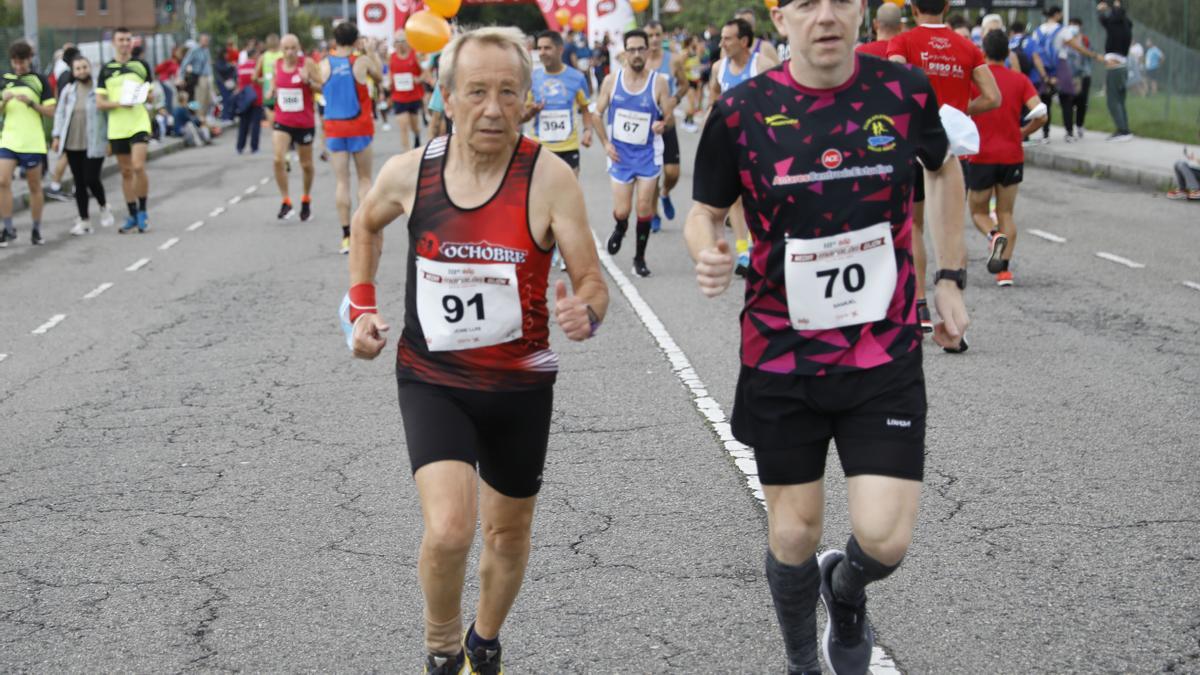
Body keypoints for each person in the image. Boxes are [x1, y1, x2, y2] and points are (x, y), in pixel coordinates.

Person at [686, 0, 970, 670]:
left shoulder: (903, 91)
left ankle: (845, 592)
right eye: (807, 3)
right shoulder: (741, 111)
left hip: (885, 348)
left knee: (886, 538)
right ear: (779, 17)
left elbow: (944, 167)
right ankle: (800, 659)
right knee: (793, 531)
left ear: (862, 10)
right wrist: (709, 250)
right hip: (782, 355)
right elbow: (705, 213)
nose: (826, 15)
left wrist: (951, 275)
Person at [345, 26, 609, 675]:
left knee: (507, 532)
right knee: (452, 528)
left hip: (521, 386)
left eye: (507, 93)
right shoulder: (409, 172)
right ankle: (440, 646)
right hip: (434, 377)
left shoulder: (549, 178)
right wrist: (359, 307)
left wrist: (587, 312)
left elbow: (591, 282)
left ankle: (483, 642)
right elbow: (365, 224)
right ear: (448, 99)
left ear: (526, 102)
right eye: (477, 92)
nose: (492, 107)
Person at [888, 0, 999, 338]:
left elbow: (896, 88)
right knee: (952, 232)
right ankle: (954, 316)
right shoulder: (967, 47)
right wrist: (962, 108)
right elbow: (993, 97)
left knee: (916, 227)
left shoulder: (904, 42)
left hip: (914, 149)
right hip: (951, 153)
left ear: (912, 6)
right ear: (948, 6)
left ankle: (920, 303)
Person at [967, 30, 1047, 287]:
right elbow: (1041, 115)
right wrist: (1023, 132)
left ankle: (993, 237)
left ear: (984, 51)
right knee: (1006, 212)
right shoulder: (1020, 79)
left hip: (981, 154)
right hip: (1012, 154)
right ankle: (1004, 272)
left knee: (978, 211)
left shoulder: (975, 80)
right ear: (1007, 53)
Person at [593, 29, 675, 278]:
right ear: (625, 52)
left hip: (648, 154)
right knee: (622, 211)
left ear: (649, 50)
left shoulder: (658, 82)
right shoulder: (611, 81)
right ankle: (620, 227)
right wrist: (606, 143)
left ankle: (639, 258)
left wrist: (663, 124)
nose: (637, 54)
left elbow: (669, 117)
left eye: (641, 49)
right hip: (620, 156)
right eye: (632, 49)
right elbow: (596, 114)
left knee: (643, 208)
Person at [316, 22, 382, 254]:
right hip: (360, 127)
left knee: (342, 182)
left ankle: (345, 236)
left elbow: (318, 89)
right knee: (365, 180)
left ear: (335, 40)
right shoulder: (360, 61)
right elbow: (380, 76)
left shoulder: (324, 64)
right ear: (355, 40)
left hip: (334, 128)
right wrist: (371, 51)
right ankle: (364, 232)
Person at [709, 18, 766, 277]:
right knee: (734, 198)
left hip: (759, 142)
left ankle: (758, 245)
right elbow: (714, 97)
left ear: (744, 41)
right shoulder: (719, 68)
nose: (721, 43)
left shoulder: (761, 66)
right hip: (730, 143)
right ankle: (743, 251)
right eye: (721, 38)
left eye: (727, 38)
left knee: (757, 197)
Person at [96, 27, 155, 234]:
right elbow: (100, 103)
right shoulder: (106, 69)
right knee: (126, 172)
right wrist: (121, 103)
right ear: (113, 42)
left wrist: (145, 96)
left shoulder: (141, 65)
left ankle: (143, 211)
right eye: (120, 40)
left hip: (139, 123)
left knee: (138, 166)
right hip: (117, 127)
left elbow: (151, 95)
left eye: (128, 40)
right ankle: (131, 214)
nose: (124, 43)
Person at [0, 41, 56, 247]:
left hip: (32, 142)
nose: (18, 66)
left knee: (34, 186)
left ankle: (36, 229)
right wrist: (5, 101)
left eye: (22, 62)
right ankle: (7, 228)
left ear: (30, 59)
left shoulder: (39, 80)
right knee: (3, 181)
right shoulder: (5, 79)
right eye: (15, 62)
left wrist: (31, 103)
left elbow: (51, 111)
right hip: (9, 140)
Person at [51, 55, 114, 236]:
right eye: (77, 68)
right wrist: (56, 135)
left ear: (90, 67)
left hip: (94, 141)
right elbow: (60, 114)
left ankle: (103, 205)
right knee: (78, 182)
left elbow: (108, 116)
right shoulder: (69, 91)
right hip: (73, 141)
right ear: (73, 71)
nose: (81, 71)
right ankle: (84, 220)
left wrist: (110, 139)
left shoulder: (99, 90)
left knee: (91, 178)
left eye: (84, 67)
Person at [526, 31, 594, 176]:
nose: (542, 52)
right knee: (542, 196)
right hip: (541, 148)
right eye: (540, 48)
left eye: (547, 48)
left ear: (560, 49)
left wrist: (588, 130)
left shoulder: (577, 78)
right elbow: (521, 115)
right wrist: (531, 112)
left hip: (568, 148)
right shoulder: (533, 78)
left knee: (569, 197)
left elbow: (585, 108)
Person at [1030, 6, 1100, 143]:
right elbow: (1076, 46)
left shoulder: (1037, 31)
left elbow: (1035, 54)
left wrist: (1044, 75)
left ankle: (1045, 135)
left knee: (1045, 102)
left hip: (1043, 68)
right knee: (1066, 100)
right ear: (1057, 15)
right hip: (1060, 66)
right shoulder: (1062, 30)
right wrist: (1092, 55)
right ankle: (1069, 133)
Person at [644, 20, 688, 233]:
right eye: (650, 35)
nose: (653, 39)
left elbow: (685, 84)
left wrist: (675, 99)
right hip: (647, 127)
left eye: (657, 34)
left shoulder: (673, 61)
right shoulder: (638, 61)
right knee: (652, 173)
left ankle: (665, 193)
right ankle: (654, 213)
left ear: (662, 36)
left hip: (667, 124)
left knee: (672, 172)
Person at [272, 34, 320, 221]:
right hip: (282, 120)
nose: (290, 52)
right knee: (277, 159)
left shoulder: (307, 64)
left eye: (293, 48)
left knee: (306, 165)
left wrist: (308, 81)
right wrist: (272, 91)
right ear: (281, 49)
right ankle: (286, 201)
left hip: (304, 122)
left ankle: (306, 199)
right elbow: (278, 86)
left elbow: (323, 87)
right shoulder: (276, 65)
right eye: (286, 48)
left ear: (298, 47)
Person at [1097, 1, 1134, 141]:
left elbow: (1105, 21)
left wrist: (1103, 10)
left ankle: (1122, 131)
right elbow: (1108, 21)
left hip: (1115, 68)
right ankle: (1125, 129)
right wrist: (1115, 8)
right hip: (1122, 67)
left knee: (1113, 101)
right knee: (1120, 100)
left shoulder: (1115, 24)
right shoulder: (1126, 25)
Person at [388, 33, 424, 152]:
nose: (401, 44)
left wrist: (418, 79)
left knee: (415, 127)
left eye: (403, 41)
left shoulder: (415, 55)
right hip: (398, 97)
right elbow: (389, 72)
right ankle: (407, 153)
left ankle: (417, 136)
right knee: (403, 126)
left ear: (408, 42)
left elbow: (426, 72)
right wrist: (389, 82)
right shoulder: (392, 57)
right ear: (395, 44)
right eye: (398, 41)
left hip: (414, 97)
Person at [234, 45, 264, 154]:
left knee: (243, 124)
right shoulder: (257, 67)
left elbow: (238, 81)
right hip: (256, 98)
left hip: (244, 99)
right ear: (255, 55)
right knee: (255, 124)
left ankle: (240, 147)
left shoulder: (241, 67)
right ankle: (254, 148)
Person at [1068, 18, 1094, 136]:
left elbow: (1090, 54)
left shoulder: (1085, 40)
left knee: (1082, 101)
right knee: (1069, 101)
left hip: (1084, 75)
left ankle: (1079, 124)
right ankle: (1069, 128)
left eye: (1076, 25)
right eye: (1071, 24)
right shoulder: (1066, 40)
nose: (1073, 26)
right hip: (1070, 75)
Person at [181, 34, 214, 121]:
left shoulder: (206, 50)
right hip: (199, 77)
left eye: (207, 40)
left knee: (208, 99)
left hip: (207, 77)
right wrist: (181, 76)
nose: (206, 42)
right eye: (204, 40)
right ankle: (199, 118)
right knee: (199, 100)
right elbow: (185, 62)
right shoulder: (195, 50)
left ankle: (204, 117)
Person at [256, 34, 284, 122]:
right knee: (286, 121)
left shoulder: (263, 57)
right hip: (283, 92)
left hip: (268, 93)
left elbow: (254, 77)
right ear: (279, 43)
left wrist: (262, 82)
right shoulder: (284, 55)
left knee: (273, 125)